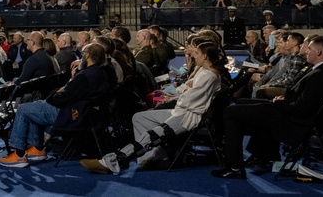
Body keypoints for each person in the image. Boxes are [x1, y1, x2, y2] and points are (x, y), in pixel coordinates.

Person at [80, 41, 223, 174]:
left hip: (187, 117)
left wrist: (183, 93)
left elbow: (190, 99)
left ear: (205, 56)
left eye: (197, 54)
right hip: (181, 111)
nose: (193, 55)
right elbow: (185, 89)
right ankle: (151, 159)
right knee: (139, 117)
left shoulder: (210, 76)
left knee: (150, 136)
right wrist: (182, 93)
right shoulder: (203, 72)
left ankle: (110, 162)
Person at [212, 36, 323, 179]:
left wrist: (280, 103)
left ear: (319, 52)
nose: (306, 52)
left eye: (309, 49)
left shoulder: (321, 75)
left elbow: (303, 109)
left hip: (294, 123)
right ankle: (262, 155)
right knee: (242, 102)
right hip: (291, 114)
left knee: (230, 112)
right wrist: (284, 99)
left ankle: (234, 166)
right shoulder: (322, 70)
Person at [0, 42, 109, 167]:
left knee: (23, 109)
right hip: (83, 112)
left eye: (83, 54)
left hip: (70, 114)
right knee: (34, 106)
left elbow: (60, 99)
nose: (82, 57)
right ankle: (37, 148)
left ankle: (18, 154)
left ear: (88, 56)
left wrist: (57, 93)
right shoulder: (100, 73)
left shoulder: (84, 76)